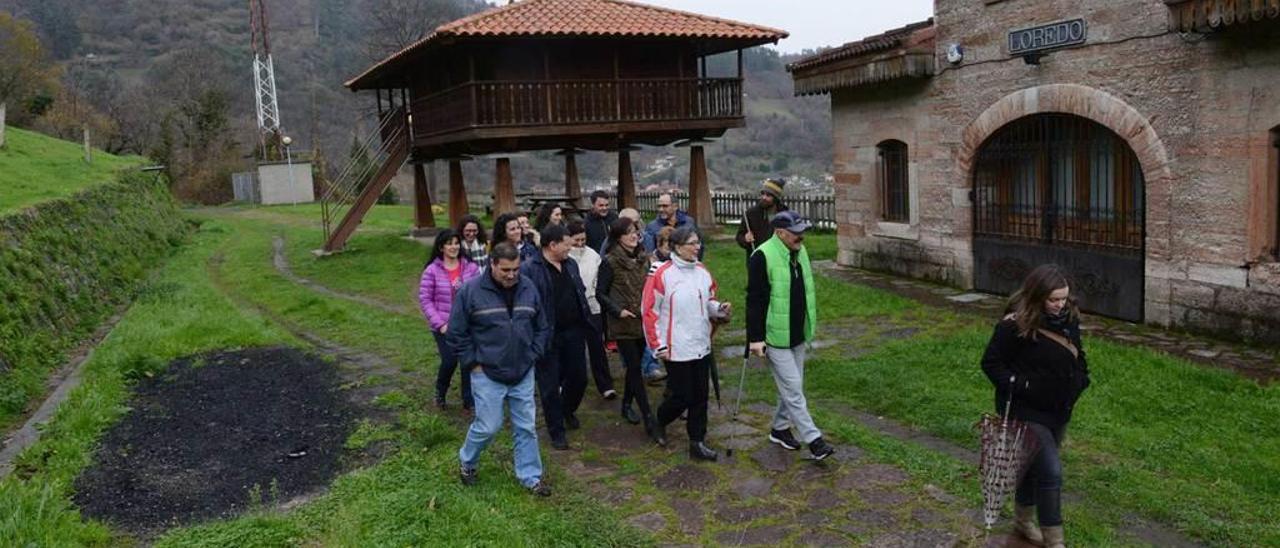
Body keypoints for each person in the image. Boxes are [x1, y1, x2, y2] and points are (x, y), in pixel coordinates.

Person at [980, 264, 1090, 548]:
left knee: (1031, 467)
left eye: (1064, 298)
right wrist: (1021, 385)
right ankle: (1056, 542)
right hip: (1026, 411)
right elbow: (991, 364)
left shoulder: (1068, 318)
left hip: (1059, 410)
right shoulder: (1013, 324)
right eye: (1054, 299)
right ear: (1038, 295)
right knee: (1051, 471)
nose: (1060, 304)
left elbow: (1077, 355)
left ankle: (1022, 522)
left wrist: (1081, 380)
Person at [449, 242, 552, 496]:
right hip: (487, 372)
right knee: (489, 426)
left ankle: (530, 477)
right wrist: (472, 363)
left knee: (526, 426)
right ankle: (468, 461)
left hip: (523, 370)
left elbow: (542, 325)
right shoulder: (471, 291)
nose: (511, 275)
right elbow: (456, 331)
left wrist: (534, 353)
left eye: (516, 269)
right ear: (492, 264)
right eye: (505, 269)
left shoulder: (528, 288)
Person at [746, 211, 835, 461]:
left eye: (802, 231)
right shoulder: (761, 256)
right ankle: (814, 440)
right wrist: (755, 338)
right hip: (775, 336)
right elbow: (754, 300)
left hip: (798, 331)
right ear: (780, 233)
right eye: (796, 232)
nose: (801, 236)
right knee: (794, 388)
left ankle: (779, 428)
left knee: (792, 385)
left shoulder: (799, 251)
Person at [643, 226, 730, 461]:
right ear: (677, 247)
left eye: (698, 242)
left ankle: (697, 441)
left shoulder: (702, 271)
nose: (697, 247)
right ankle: (658, 420)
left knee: (700, 396)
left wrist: (718, 308)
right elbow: (649, 311)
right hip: (675, 346)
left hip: (700, 343)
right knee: (681, 396)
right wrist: (656, 344)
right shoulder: (661, 273)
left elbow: (708, 299)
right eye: (692, 243)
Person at [521, 224, 596, 450]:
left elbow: (579, 292)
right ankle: (556, 430)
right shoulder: (530, 269)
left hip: (574, 331)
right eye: (567, 244)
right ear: (552, 245)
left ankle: (566, 410)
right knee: (549, 385)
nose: (570, 248)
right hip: (547, 335)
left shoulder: (570, 264)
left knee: (579, 378)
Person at [597, 217, 658, 439]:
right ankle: (648, 416)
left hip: (642, 320)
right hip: (622, 322)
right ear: (618, 237)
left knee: (637, 367)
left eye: (636, 231)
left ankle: (625, 404)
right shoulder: (610, 261)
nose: (634, 236)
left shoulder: (644, 259)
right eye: (629, 233)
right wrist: (618, 311)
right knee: (633, 368)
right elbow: (600, 293)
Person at [419, 228, 482, 412]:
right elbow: (425, 299)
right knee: (449, 360)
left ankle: (468, 400)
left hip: (467, 325)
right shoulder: (432, 270)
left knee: (467, 361)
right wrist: (440, 324)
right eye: (449, 243)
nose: (454, 247)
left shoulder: (470, 267)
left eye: (456, 243)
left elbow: (478, 293)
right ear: (441, 247)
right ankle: (440, 392)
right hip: (444, 326)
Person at [568, 220, 616, 401]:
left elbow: (599, 278)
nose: (580, 244)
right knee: (574, 349)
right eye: (576, 241)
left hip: (592, 306)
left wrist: (594, 296)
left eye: (583, 240)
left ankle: (605, 384)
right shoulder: (566, 256)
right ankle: (570, 383)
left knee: (597, 347)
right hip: (572, 309)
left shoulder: (593, 255)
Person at [736, 178, 789, 257]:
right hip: (757, 257)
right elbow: (739, 236)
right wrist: (745, 239)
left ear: (776, 198)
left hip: (779, 257)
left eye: (768, 195)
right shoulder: (751, 213)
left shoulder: (785, 214)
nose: (764, 197)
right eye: (763, 194)